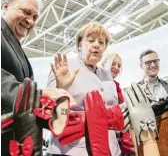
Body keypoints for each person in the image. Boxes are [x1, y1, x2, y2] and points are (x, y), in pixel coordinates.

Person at [1, 0, 76, 155]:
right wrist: (39, 96)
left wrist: (59, 87)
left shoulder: (14, 45)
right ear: (5, 7)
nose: (30, 21)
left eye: (35, 17)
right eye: (26, 12)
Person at [46, 22, 124, 156]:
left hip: (109, 148)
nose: (96, 45)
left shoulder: (106, 75)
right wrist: (61, 89)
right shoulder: (65, 66)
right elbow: (47, 109)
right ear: (79, 45)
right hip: (71, 150)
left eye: (101, 42)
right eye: (91, 40)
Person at [101, 53, 135, 155]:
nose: (116, 68)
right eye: (113, 64)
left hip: (118, 139)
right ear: (103, 64)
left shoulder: (117, 88)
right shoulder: (97, 82)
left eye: (119, 66)